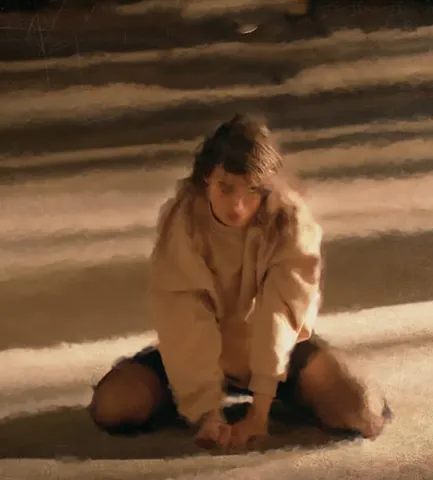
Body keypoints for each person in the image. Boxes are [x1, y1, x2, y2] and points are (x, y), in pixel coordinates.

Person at [89, 114, 391, 452]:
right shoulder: (183, 221)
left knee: (361, 411)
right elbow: (185, 315)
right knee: (114, 406)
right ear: (206, 179)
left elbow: (281, 312)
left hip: (277, 348)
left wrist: (260, 411)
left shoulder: (289, 220)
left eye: (251, 191)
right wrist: (207, 414)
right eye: (226, 187)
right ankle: (189, 395)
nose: (238, 205)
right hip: (201, 346)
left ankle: (290, 397)